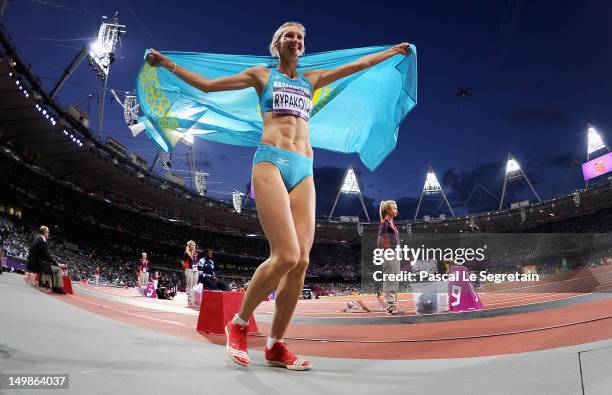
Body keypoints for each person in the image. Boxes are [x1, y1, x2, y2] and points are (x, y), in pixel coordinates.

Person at [147, 21, 409, 371]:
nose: (297, 41)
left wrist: (391, 52)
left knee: (301, 261)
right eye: (290, 36)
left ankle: (275, 345)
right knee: (285, 255)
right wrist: (167, 64)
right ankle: (238, 323)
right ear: (277, 44)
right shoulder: (261, 76)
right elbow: (209, 86)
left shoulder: (310, 80)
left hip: (305, 168)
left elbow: (355, 67)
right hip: (271, 161)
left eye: (301, 37)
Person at [377, 200, 403, 315]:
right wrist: (389, 251)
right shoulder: (385, 224)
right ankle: (390, 307)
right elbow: (379, 242)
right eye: (394, 208)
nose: (397, 210)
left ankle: (393, 305)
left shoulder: (392, 225)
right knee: (390, 280)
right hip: (389, 254)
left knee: (395, 280)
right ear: (388, 210)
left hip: (395, 253)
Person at [26, 226, 66, 294]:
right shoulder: (43, 241)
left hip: (31, 264)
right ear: (45, 233)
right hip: (38, 266)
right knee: (58, 269)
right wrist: (57, 264)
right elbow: (47, 256)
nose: (48, 234)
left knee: (52, 266)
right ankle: (58, 288)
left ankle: (55, 287)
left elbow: (43, 256)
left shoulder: (37, 239)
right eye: (48, 232)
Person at [181, 240, 199, 305]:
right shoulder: (186, 253)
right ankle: (190, 300)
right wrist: (186, 267)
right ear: (189, 246)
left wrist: (196, 266)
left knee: (195, 286)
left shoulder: (196, 254)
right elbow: (182, 261)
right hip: (189, 270)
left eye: (194, 245)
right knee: (189, 285)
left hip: (195, 270)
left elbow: (196, 261)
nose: (193, 246)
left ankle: (193, 299)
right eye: (192, 245)